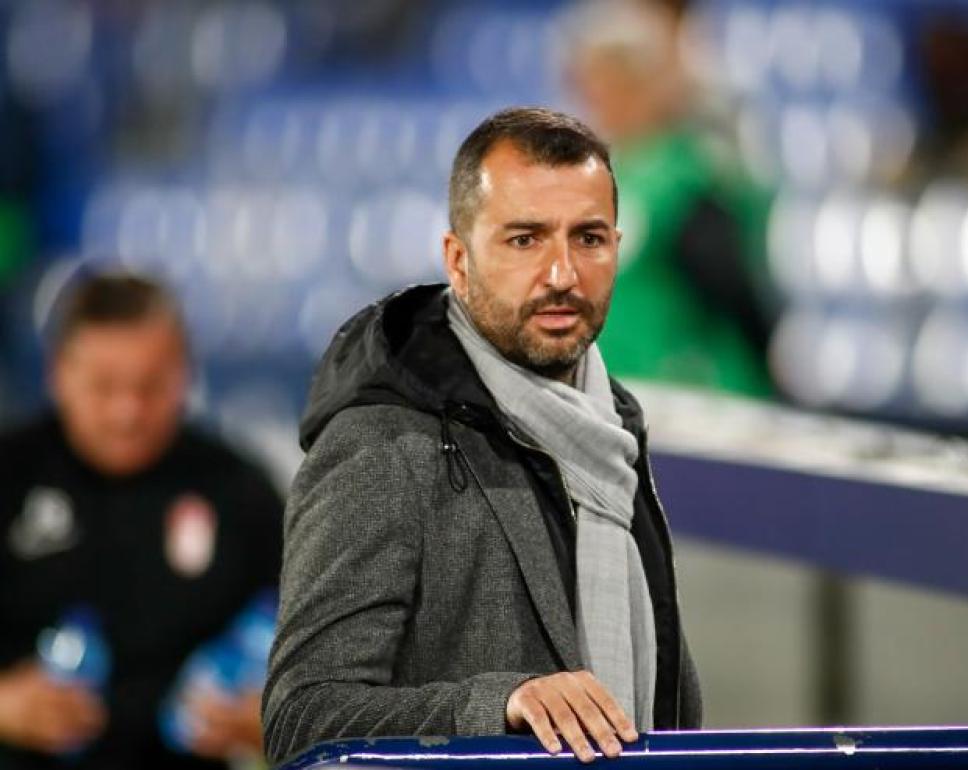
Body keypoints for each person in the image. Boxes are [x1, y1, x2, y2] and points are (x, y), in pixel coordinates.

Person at [262, 107, 702, 767]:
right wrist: (500, 705)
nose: (562, 274)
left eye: (588, 238)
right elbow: (303, 720)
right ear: (458, 260)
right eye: (525, 240)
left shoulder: (610, 427)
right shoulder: (380, 445)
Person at [0, 273, 284, 770]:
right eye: (104, 386)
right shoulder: (9, 474)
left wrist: (273, 717)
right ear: (57, 374)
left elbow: (319, 654)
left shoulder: (239, 489)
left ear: (185, 374)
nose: (127, 412)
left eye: (151, 386)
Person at [565, 0, 776, 397]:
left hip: (694, 395)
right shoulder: (605, 173)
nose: (597, 99)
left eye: (613, 83)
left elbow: (733, 290)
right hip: (620, 391)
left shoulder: (686, 176)